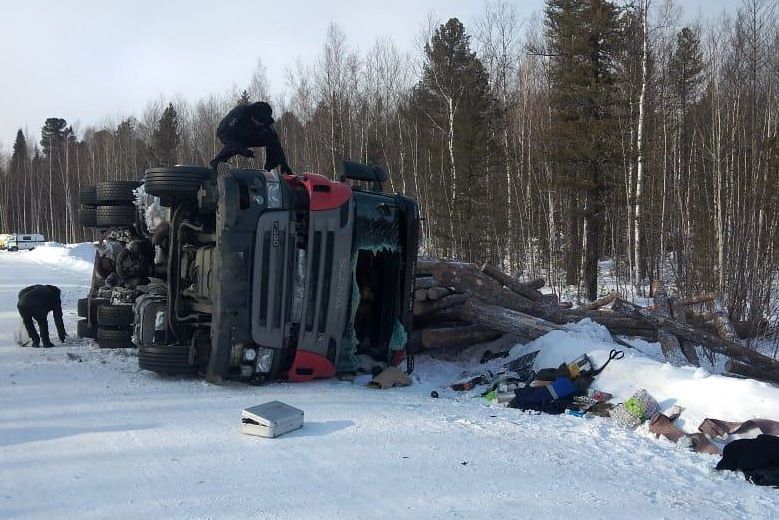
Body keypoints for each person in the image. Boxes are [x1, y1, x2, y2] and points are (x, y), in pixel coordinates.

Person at [209, 101, 292, 173]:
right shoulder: (239, 113)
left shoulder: (265, 123)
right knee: (234, 146)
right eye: (261, 122)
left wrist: (284, 165)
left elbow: (276, 143)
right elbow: (223, 133)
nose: (263, 125)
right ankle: (215, 165)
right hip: (230, 133)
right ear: (254, 117)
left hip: (249, 135)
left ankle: (269, 168)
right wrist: (240, 150)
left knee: (271, 139)